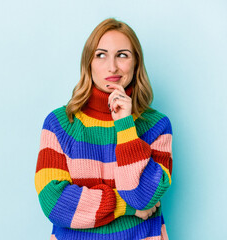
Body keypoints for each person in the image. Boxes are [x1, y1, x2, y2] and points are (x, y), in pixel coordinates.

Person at [34, 18, 173, 240]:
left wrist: (125, 126)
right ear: (88, 63)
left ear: (136, 62)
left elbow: (143, 199)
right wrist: (125, 206)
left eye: (122, 55)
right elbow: (55, 204)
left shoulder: (156, 125)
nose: (112, 67)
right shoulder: (59, 123)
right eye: (101, 55)